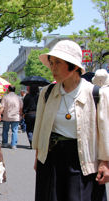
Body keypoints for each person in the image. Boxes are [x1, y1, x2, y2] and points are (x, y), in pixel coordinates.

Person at [32, 40, 108, 201]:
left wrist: (105, 162)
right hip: (51, 158)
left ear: (74, 67)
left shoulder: (96, 94)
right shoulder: (47, 93)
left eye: (58, 63)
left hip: (81, 159)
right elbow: (40, 127)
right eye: (51, 63)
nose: (53, 68)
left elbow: (105, 132)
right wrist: (39, 155)